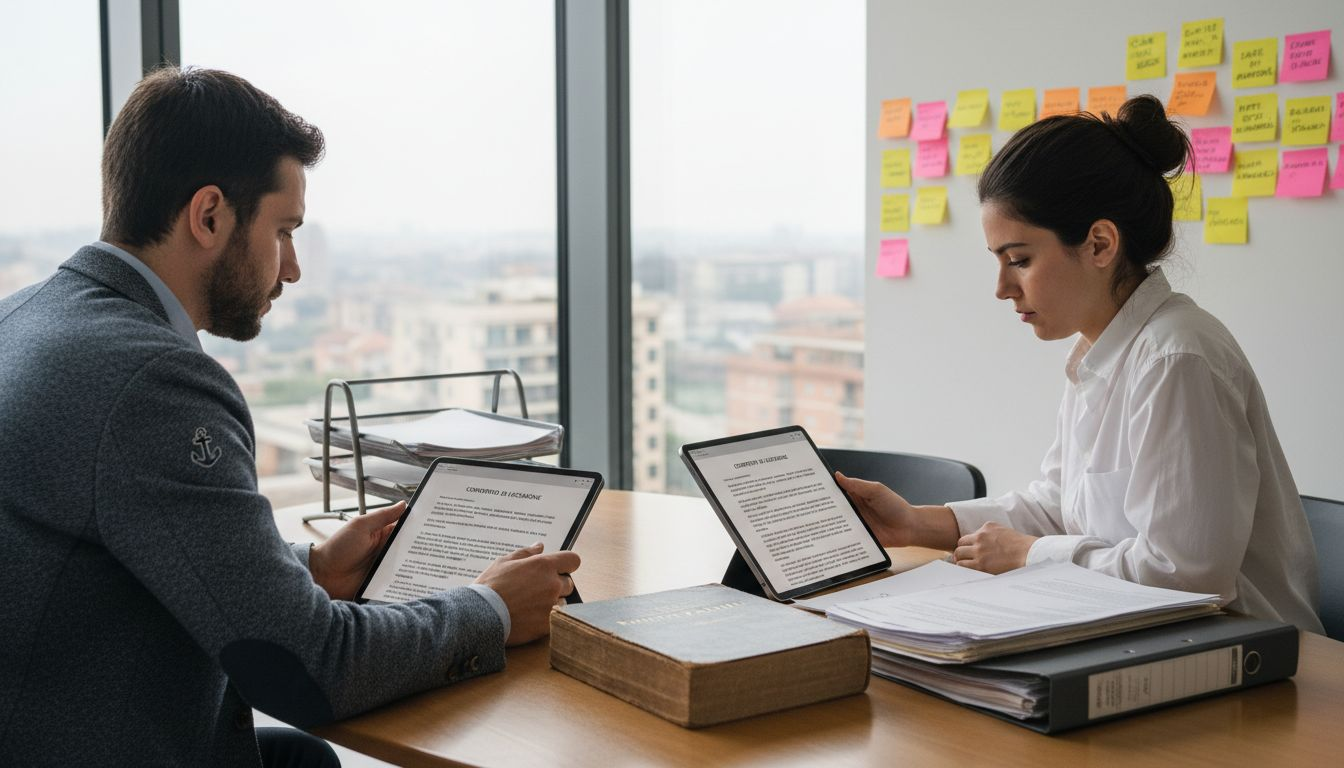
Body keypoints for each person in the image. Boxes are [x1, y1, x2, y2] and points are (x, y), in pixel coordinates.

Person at [0, 67, 579, 766]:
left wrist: (308, 569)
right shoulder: (155, 382)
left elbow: (127, 548)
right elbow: (309, 668)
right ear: (209, 215)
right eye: (284, 230)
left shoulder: (23, 317)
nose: (294, 267)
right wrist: (488, 609)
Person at [837, 95, 1322, 633]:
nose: (1002, 289)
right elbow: (1058, 505)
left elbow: (1186, 577)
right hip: (1141, 634)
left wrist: (1029, 555)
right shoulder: (1102, 352)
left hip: (1244, 656)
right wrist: (914, 522)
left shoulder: (1177, 359)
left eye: (1019, 260)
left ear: (1099, 243)